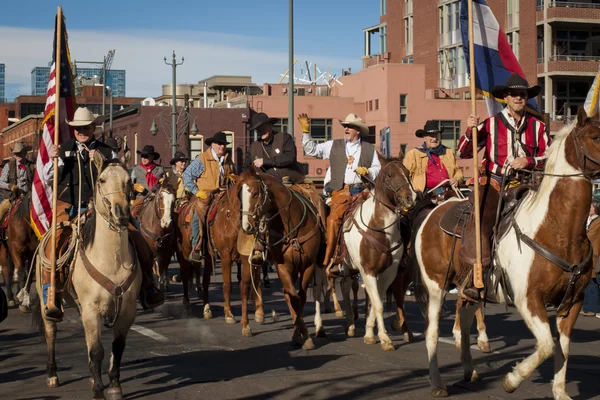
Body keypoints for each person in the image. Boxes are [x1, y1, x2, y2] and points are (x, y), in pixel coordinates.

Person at [45, 107, 163, 320]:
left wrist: (102, 162)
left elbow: (120, 175)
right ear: (73, 130)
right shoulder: (63, 149)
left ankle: (148, 285)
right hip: (70, 204)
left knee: (138, 236)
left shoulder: (107, 150)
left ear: (93, 128)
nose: (82, 131)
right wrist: (52, 159)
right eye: (78, 128)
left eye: (86, 127)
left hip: (103, 207)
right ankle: (51, 294)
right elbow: (48, 177)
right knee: (53, 242)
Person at [456, 73, 551, 301]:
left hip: (529, 184)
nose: (519, 98)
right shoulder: (489, 124)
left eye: (523, 94)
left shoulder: (538, 126)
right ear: (505, 98)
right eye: (514, 94)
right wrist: (471, 131)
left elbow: (549, 156)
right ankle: (477, 274)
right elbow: (464, 153)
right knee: (483, 220)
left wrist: (528, 161)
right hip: (496, 184)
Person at [301, 113, 381, 267]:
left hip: (364, 191)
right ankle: (332, 258)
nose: (346, 128)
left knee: (382, 216)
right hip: (341, 192)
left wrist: (369, 171)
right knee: (333, 220)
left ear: (358, 131)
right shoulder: (333, 145)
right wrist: (306, 132)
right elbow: (312, 150)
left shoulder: (369, 148)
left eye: (350, 126)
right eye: (345, 126)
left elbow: (378, 168)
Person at [183, 131, 235, 263]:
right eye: (219, 144)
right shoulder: (202, 159)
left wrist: (233, 177)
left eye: (224, 144)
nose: (222, 147)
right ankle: (197, 247)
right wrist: (196, 191)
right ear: (212, 144)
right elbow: (187, 176)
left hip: (224, 194)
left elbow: (234, 175)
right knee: (198, 216)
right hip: (205, 195)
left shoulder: (228, 159)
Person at [403, 120, 463, 195]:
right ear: (424, 138)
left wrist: (456, 179)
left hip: (449, 192)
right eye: (431, 136)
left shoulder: (448, 152)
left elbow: (458, 172)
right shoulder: (413, 155)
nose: (434, 139)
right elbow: (404, 178)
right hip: (425, 195)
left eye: (436, 135)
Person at [247, 112, 305, 184]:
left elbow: (290, 157)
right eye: (257, 129)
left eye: (263, 127)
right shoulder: (253, 147)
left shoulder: (285, 137)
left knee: (307, 194)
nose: (260, 131)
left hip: (292, 182)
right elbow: (246, 168)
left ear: (270, 125)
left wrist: (265, 161)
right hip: (267, 186)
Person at [0, 142, 36, 223]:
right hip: (12, 198)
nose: (18, 155)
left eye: (20, 153)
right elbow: (0, 182)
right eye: (16, 153)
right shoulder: (8, 166)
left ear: (25, 153)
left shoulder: (32, 166)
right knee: (0, 211)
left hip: (29, 198)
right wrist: (10, 186)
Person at [130, 145, 165, 217]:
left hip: (157, 198)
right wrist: (134, 187)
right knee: (132, 213)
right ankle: (136, 228)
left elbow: (167, 185)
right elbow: (129, 185)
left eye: (146, 157)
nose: (144, 159)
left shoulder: (160, 169)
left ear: (152, 157)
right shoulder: (136, 169)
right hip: (141, 197)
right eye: (142, 156)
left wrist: (165, 181)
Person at [583, 200, 600, 318]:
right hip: (588, 253)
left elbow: (590, 235)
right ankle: (588, 308)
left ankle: (593, 308)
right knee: (588, 281)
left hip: (594, 254)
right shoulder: (588, 220)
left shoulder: (598, 221)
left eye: (591, 206)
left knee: (592, 281)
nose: (589, 208)